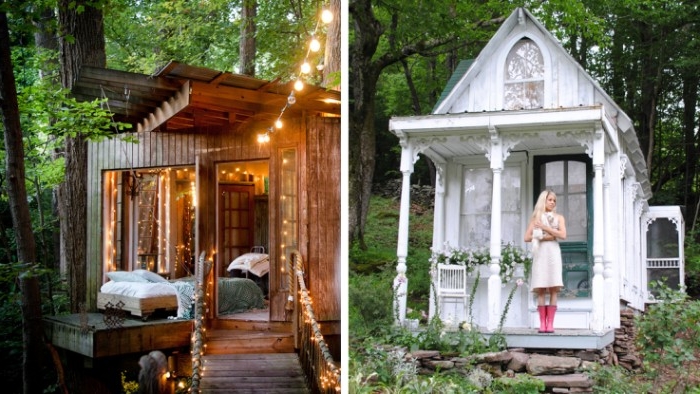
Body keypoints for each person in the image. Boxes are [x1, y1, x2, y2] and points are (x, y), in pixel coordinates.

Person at [524, 190, 566, 333]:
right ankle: (542, 323)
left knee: (554, 288)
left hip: (553, 253)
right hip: (540, 253)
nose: (553, 202)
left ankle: (550, 324)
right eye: (550, 200)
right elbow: (527, 237)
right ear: (544, 201)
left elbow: (563, 234)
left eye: (554, 200)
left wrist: (545, 229)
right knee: (541, 288)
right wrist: (544, 236)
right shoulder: (536, 218)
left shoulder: (559, 218)